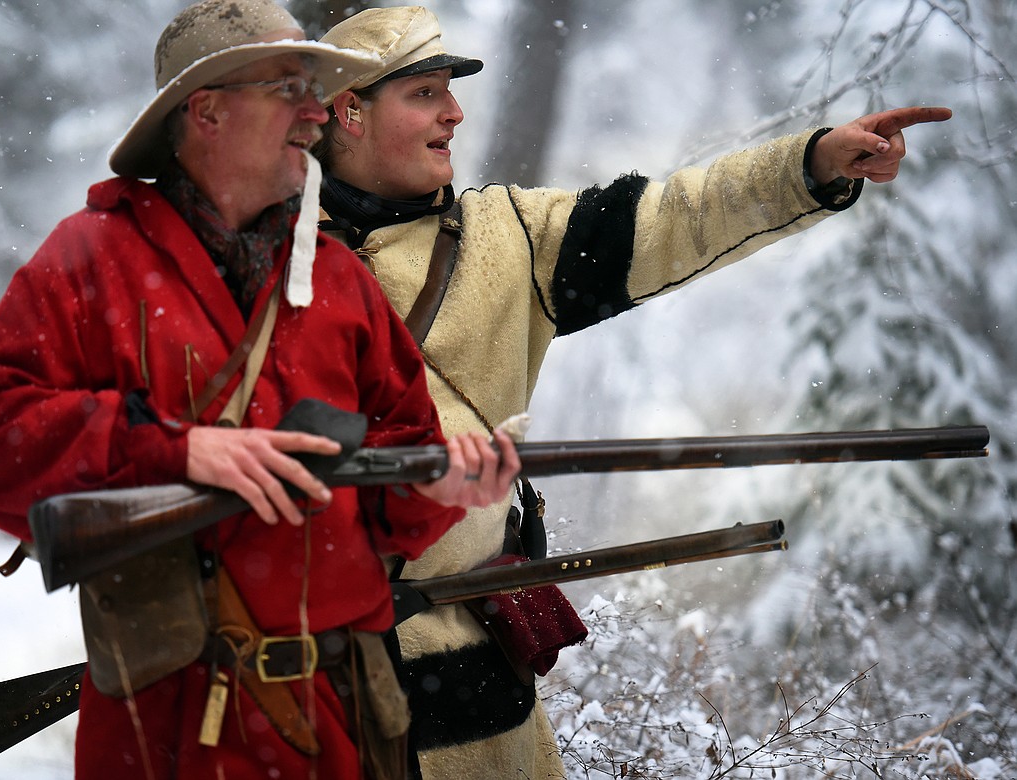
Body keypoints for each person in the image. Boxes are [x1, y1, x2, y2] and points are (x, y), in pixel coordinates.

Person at [313, 6, 954, 779]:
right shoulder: (263, 253)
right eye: (422, 93)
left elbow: (676, 216)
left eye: (449, 90)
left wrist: (810, 164)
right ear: (348, 111)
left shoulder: (508, 238)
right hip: (305, 678)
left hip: (473, 687)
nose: (454, 111)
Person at [0, 1, 522, 778]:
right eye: (289, 87)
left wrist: (446, 483)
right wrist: (174, 452)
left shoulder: (339, 280)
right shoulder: (93, 257)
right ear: (206, 112)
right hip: (168, 734)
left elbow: (389, 492)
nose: (317, 113)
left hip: (338, 719)